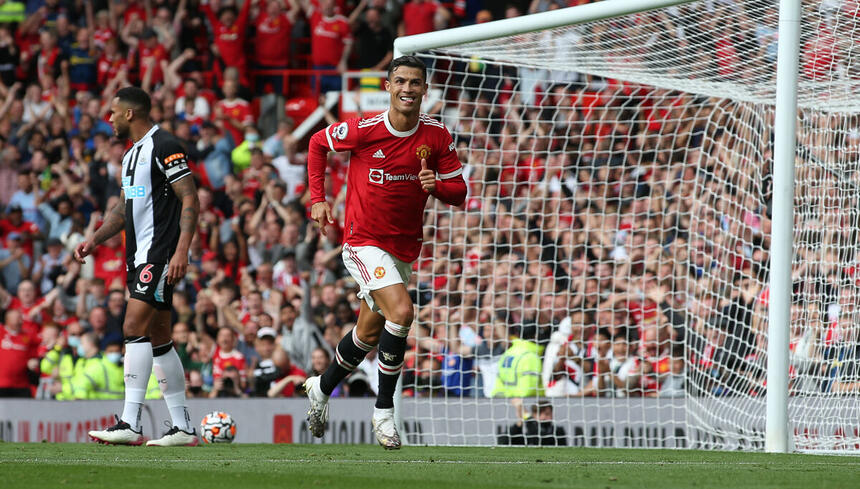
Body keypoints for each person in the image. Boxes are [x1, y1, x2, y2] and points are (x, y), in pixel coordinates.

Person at [303, 56, 466, 449]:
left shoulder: (437, 136)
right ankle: (384, 413)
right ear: (388, 87)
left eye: (415, 83)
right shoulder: (365, 129)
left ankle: (321, 390)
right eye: (401, 82)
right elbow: (316, 143)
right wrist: (318, 200)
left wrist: (436, 186)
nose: (408, 89)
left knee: (367, 334)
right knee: (403, 312)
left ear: (425, 90)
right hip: (363, 240)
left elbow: (459, 193)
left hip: (404, 247)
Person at [75, 87, 200, 447]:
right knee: (160, 338)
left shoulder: (165, 145)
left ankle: (130, 421)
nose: (109, 119)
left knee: (133, 326)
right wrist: (95, 240)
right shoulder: (131, 155)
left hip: (159, 253)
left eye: (112, 112)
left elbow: (189, 196)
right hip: (138, 256)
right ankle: (183, 428)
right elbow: (123, 207)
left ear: (130, 114)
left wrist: (181, 251)